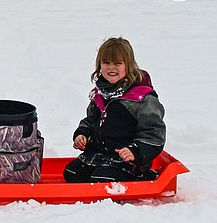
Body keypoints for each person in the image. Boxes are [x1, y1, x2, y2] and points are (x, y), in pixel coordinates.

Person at [64, 37, 166, 183]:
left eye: (118, 63)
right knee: (72, 173)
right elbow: (90, 121)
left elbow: (154, 134)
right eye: (106, 63)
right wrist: (82, 134)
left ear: (129, 65)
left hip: (129, 159)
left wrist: (135, 151)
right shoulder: (100, 94)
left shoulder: (142, 99)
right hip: (101, 154)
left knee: (103, 179)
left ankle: (141, 177)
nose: (111, 68)